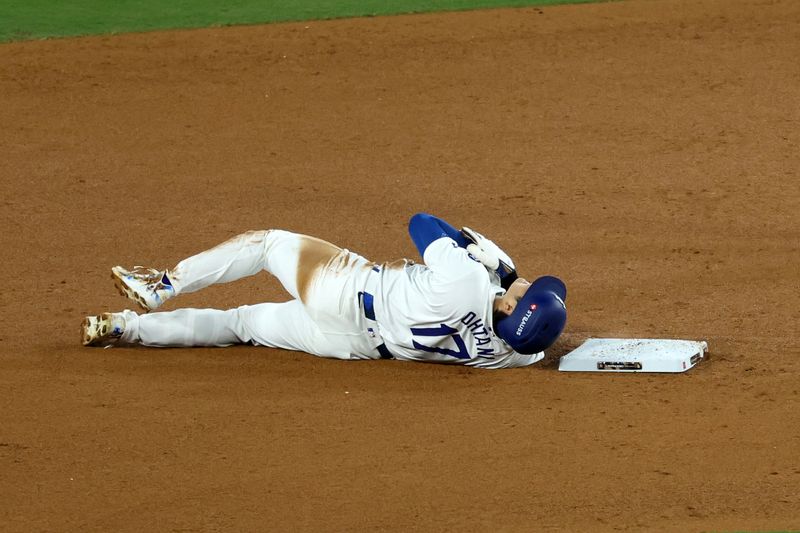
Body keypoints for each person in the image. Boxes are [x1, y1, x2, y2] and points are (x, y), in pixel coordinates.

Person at [81, 213, 567, 369]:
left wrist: (472, 250)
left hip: (342, 290)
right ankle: (125, 329)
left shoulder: (465, 280)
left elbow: (421, 223)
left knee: (267, 245)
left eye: (527, 289)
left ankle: (161, 286)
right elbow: (525, 335)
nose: (528, 280)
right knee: (242, 324)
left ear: (509, 304)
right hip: (352, 345)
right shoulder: (511, 357)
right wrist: (504, 280)